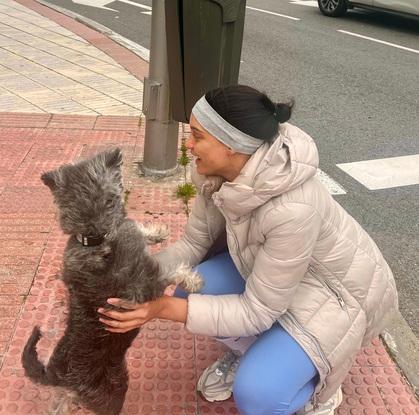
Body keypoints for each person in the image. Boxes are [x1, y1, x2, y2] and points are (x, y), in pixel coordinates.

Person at [98, 85, 398, 415]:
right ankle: (257, 354)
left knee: (258, 396)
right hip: (273, 276)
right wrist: (136, 273)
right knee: (192, 288)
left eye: (197, 136)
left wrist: (160, 308)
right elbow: (193, 245)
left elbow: (257, 312)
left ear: (232, 146)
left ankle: (318, 393)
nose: (188, 145)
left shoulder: (292, 209)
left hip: (336, 296)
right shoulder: (218, 176)